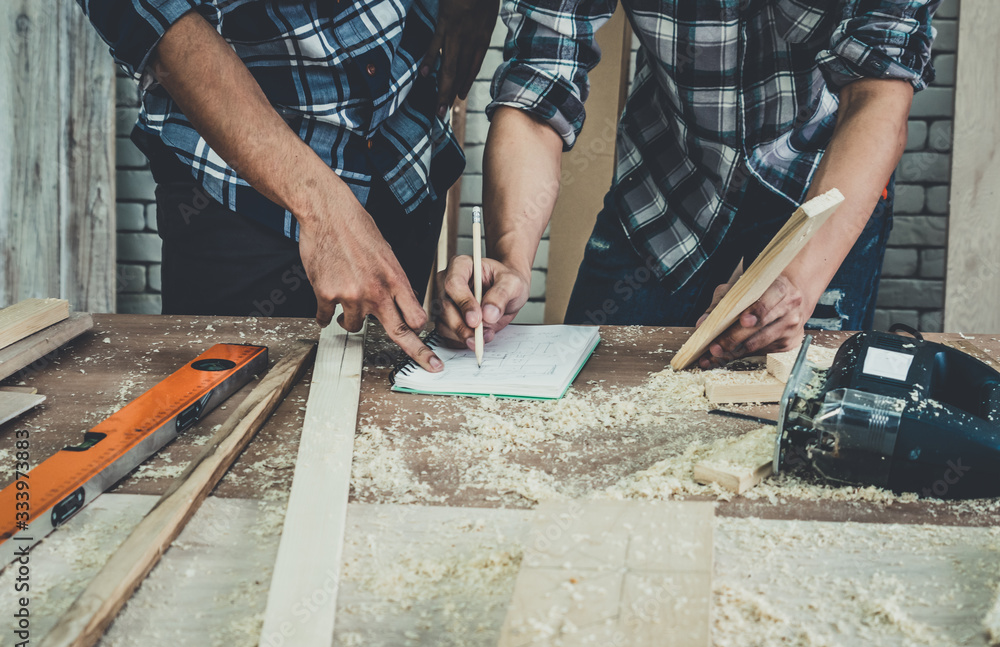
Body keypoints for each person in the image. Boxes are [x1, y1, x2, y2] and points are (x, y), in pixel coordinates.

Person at [435, 0, 939, 368]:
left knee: (802, 417)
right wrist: (512, 256)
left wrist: (798, 283)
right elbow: (543, 73)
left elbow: (878, 92)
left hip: (828, 184)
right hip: (668, 175)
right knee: (593, 387)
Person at [78, 0, 498, 373]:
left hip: (403, 151)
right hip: (238, 192)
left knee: (376, 415)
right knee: (229, 422)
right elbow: (146, 10)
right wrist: (320, 206)